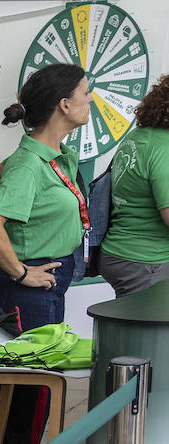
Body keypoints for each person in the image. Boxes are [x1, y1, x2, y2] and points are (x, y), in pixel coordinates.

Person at [0, 62, 91, 444]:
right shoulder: (29, 163)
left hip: (48, 285)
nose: (91, 99)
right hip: (30, 290)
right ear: (64, 105)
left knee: (30, 390)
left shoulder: (50, 155)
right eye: (85, 92)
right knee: (29, 393)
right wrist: (21, 270)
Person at [101, 73, 169, 296]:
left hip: (121, 252)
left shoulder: (138, 137)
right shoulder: (164, 148)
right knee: (148, 320)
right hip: (146, 261)